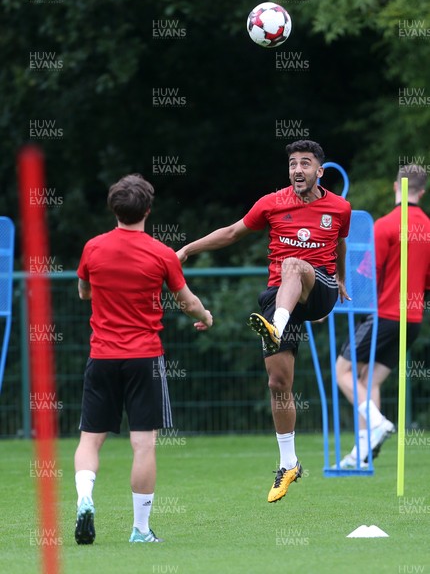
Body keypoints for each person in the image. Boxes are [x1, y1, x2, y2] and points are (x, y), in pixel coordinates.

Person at [177, 140, 352, 502]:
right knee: (278, 382)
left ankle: (279, 321)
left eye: (305, 163)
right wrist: (187, 249)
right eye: (292, 164)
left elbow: (339, 244)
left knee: (293, 264)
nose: (297, 169)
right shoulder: (271, 203)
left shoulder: (339, 207)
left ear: (320, 171)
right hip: (278, 295)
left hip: (319, 286)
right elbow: (231, 233)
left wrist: (343, 279)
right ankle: (289, 463)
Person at [74, 174, 213, 544]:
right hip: (144, 358)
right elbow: (187, 302)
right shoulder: (161, 253)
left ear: (113, 209)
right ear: (148, 210)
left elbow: (83, 292)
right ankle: (139, 530)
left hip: (101, 356)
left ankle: (85, 498)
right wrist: (205, 317)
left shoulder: (93, 248)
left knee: (90, 440)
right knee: (144, 444)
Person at [336, 164, 430, 468]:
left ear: (395, 187)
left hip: (385, 316)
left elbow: (367, 275)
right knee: (368, 380)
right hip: (413, 320)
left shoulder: (387, 225)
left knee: (343, 372)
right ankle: (362, 455)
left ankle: (376, 424)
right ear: (422, 192)